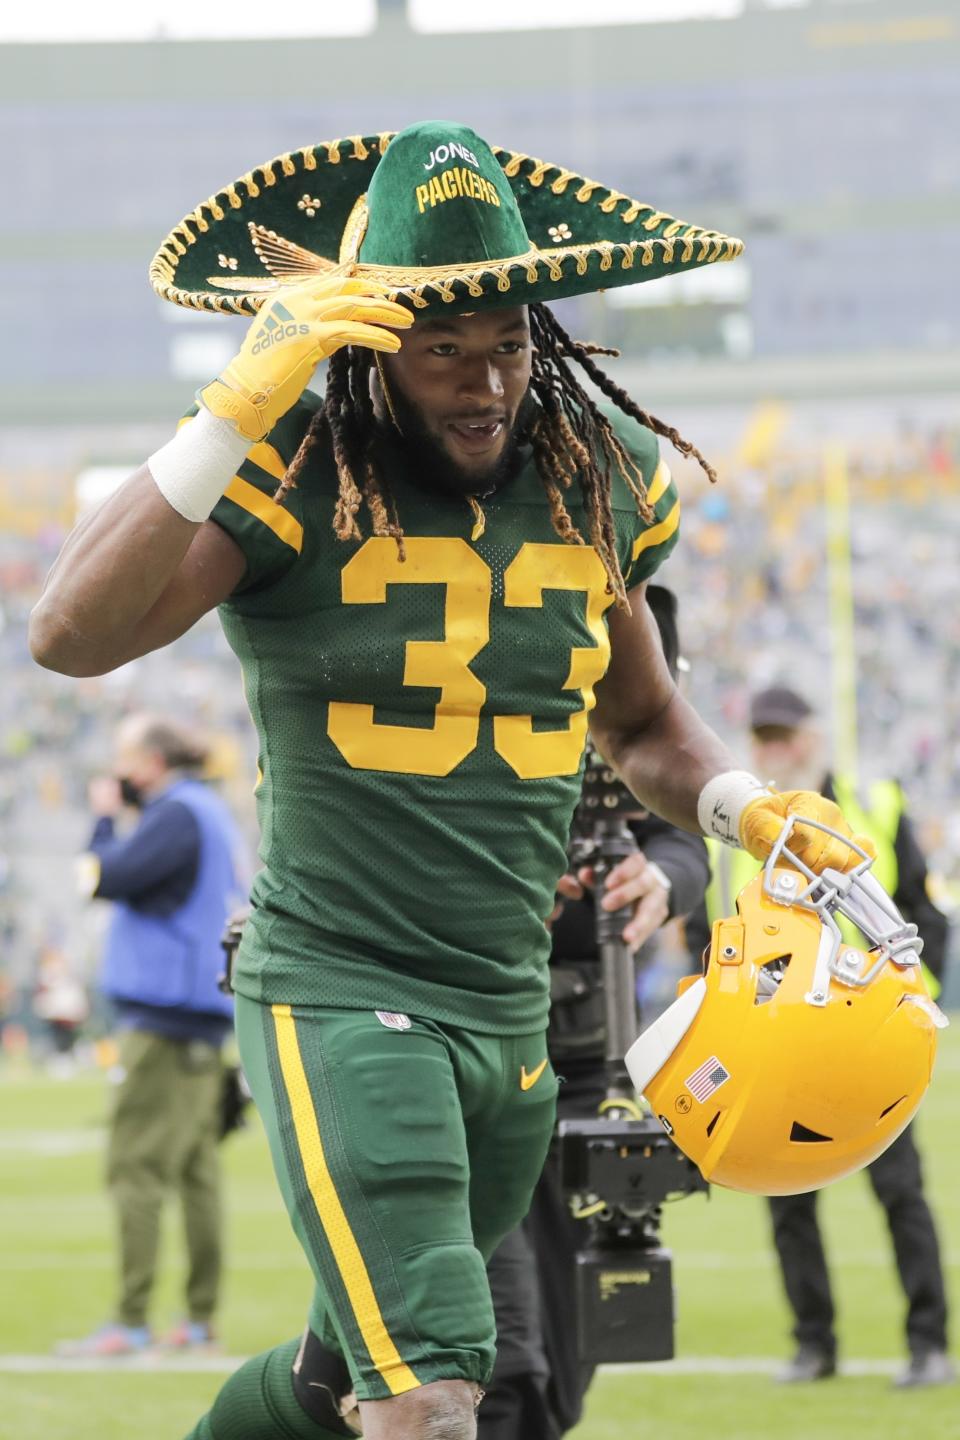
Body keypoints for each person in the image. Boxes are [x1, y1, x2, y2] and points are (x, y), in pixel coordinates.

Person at [30, 120, 872, 1440]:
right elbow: (70, 635)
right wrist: (232, 407)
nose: (486, 383)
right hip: (345, 987)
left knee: (339, 1381)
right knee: (431, 1392)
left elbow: (645, 721)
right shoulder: (292, 464)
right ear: (371, 349)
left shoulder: (593, 475)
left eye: (510, 346)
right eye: (444, 351)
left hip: (507, 1009)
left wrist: (742, 809)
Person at [480, 586, 710, 1440]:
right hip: (482, 1061)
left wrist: (661, 883)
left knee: (575, 1352)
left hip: (585, 1058)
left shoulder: (631, 743)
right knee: (504, 1352)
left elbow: (682, 842)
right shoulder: (472, 726)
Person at [693, 684, 953, 1390]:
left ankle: (928, 1342)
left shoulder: (875, 804)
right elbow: (710, 942)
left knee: (901, 1192)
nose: (779, 749)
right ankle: (815, 1344)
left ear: (813, 736)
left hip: (869, 1039)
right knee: (787, 1202)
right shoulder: (732, 840)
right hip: (776, 1049)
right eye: (766, 737)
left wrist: (901, 995)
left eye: (788, 735)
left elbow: (926, 918)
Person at [60, 713, 245, 1357]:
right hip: (199, 1014)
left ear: (150, 763)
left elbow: (101, 877)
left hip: (164, 1020)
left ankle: (130, 1321)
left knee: (135, 1165)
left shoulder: (176, 812)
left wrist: (106, 817)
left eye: (124, 759)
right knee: (195, 1172)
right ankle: (198, 1321)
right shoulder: (208, 810)